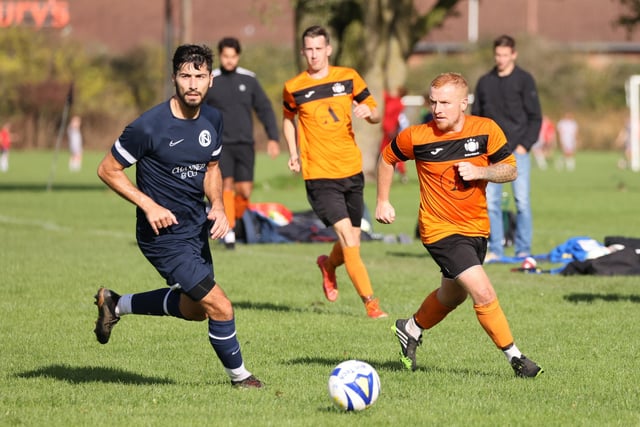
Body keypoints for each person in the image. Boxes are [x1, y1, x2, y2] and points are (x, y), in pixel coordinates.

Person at [95, 44, 263, 389]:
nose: (192, 84)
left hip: (195, 230)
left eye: (199, 76)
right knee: (220, 306)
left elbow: (212, 168)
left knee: (195, 309)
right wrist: (148, 205)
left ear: (210, 81)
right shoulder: (149, 126)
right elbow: (108, 169)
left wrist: (217, 205)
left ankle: (115, 303)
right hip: (162, 237)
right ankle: (241, 379)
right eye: (185, 75)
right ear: (174, 78)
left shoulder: (214, 119)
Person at [376, 72, 543, 378]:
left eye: (445, 103)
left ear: (463, 103)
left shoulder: (486, 130)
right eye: (433, 102)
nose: (437, 109)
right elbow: (387, 159)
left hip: (476, 229)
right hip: (439, 229)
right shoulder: (416, 135)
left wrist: (481, 172)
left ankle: (410, 328)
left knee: (453, 295)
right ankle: (517, 359)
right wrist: (383, 200)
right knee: (483, 292)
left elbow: (510, 170)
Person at [282, 25, 387, 319]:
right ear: (303, 51)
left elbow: (375, 110)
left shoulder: (348, 77)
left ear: (328, 49)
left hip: (351, 170)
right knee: (349, 238)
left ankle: (328, 265)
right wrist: (293, 151)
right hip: (318, 174)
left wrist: (370, 113)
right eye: (309, 49)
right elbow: (288, 119)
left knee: (351, 239)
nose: (314, 55)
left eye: (319, 48)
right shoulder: (294, 87)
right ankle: (371, 304)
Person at [205, 37, 280, 249]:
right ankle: (227, 232)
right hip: (221, 144)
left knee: (245, 191)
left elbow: (264, 108)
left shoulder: (249, 80)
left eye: (233, 56)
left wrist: (273, 137)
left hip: (245, 143)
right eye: (225, 56)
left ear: (238, 56)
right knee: (225, 185)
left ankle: (231, 220)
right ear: (220, 56)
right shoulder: (212, 80)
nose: (229, 60)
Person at [472, 35, 542, 261]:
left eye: (505, 55)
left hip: (517, 151)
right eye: (497, 55)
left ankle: (523, 249)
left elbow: (535, 117)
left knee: (522, 201)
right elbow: (476, 118)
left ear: (513, 54)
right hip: (491, 154)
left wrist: (524, 146)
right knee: (490, 203)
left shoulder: (525, 80)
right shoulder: (485, 82)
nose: (500, 59)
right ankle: (496, 249)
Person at [380, 86, 409, 183]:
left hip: (390, 131)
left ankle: (401, 172)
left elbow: (396, 118)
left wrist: (393, 130)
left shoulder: (398, 103)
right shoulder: (395, 101)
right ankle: (400, 173)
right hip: (387, 131)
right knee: (386, 151)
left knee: (393, 152)